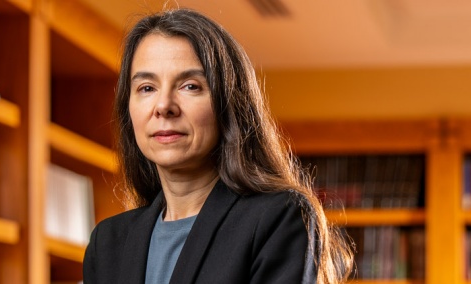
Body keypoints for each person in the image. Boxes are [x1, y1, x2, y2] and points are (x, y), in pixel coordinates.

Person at [83, 8, 353, 284]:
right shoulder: (107, 244)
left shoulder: (277, 219)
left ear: (228, 104)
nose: (163, 106)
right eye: (146, 88)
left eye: (190, 86)